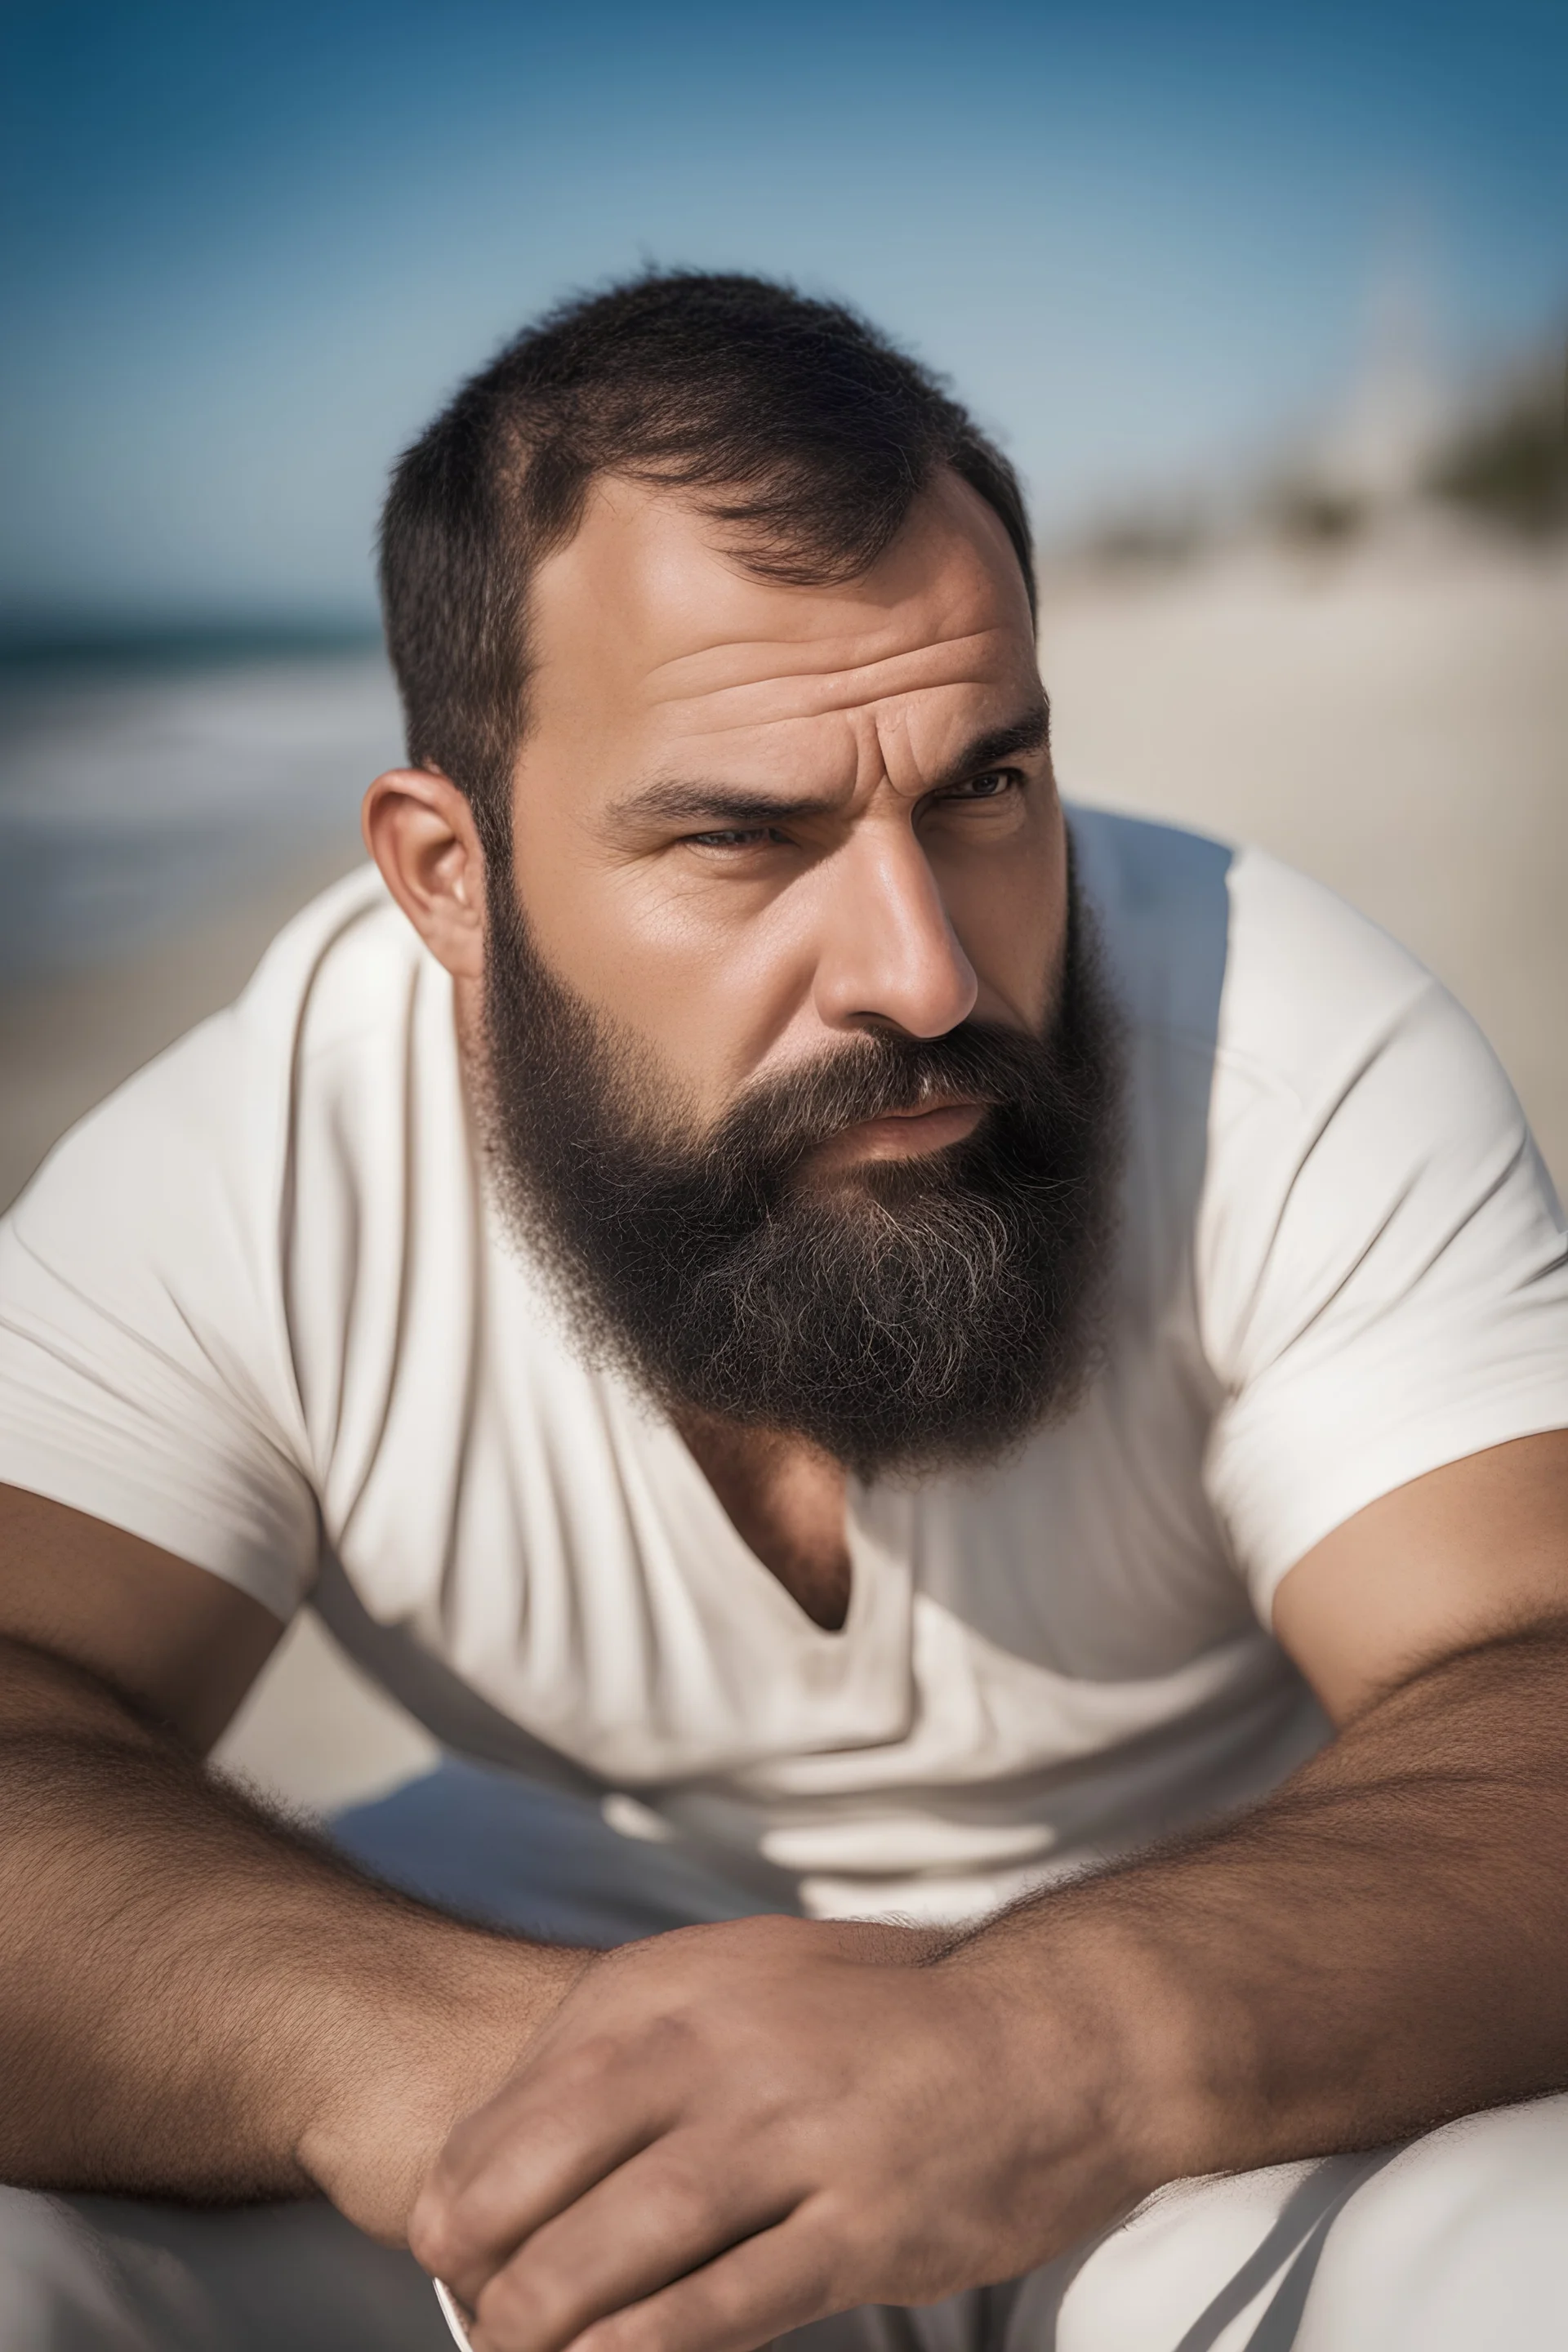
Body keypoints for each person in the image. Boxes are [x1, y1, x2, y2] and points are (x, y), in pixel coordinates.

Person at [1, 271, 1566, 2352]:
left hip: (1242, 2007)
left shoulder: (1288, 1037)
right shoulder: (262, 1155)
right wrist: (466, 2054)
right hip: (532, 2004)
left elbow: (1528, 1673)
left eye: (986, 787)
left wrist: (1051, 2038)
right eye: (746, 837)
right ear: (445, 877)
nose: (923, 973)